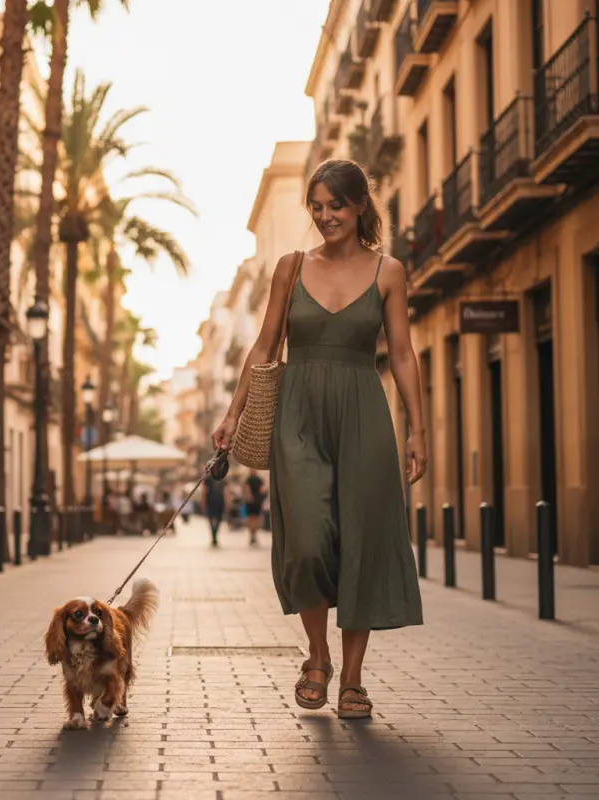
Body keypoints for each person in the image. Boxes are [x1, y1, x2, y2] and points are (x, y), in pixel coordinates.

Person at [212, 159, 426, 720]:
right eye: (317, 206)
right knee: (305, 541)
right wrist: (233, 414)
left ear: (359, 207)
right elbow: (263, 348)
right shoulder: (289, 266)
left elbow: (401, 353)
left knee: (362, 542)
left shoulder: (389, 272)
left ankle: (352, 680)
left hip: (363, 414)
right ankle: (317, 655)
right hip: (297, 415)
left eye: (336, 205)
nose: (326, 216)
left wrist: (418, 429)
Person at [202, 473, 226, 547]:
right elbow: (226, 491)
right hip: (218, 501)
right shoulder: (222, 477)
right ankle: (214, 535)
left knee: (213, 519)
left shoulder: (208, 478)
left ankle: (214, 535)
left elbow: (204, 491)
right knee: (217, 519)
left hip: (212, 501)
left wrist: (203, 502)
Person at [243, 469, 265, 545]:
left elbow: (247, 489)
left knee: (251, 518)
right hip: (257, 501)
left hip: (251, 501)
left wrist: (248, 497)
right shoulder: (259, 479)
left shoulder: (248, 479)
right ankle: (253, 535)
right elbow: (262, 490)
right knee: (255, 518)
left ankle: (252, 535)